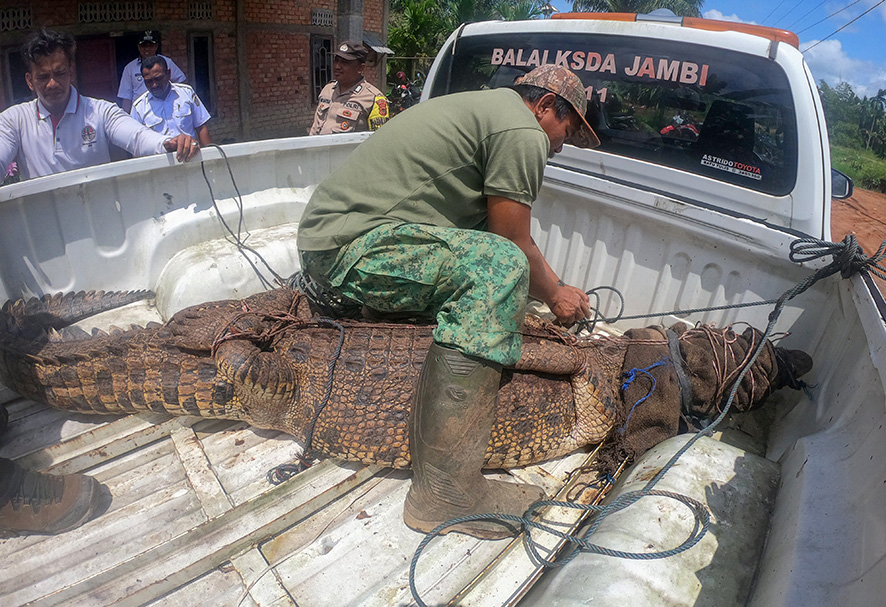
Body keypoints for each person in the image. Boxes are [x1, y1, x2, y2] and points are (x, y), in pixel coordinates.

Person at [297, 64, 600, 539]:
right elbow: (512, 243)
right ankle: (444, 494)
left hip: (341, 238)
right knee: (499, 268)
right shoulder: (521, 131)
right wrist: (558, 293)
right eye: (567, 130)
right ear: (543, 106)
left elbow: (482, 229)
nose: (560, 146)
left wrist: (545, 290)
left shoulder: (487, 110)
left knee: (491, 262)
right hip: (346, 249)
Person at [0, 29, 200, 181]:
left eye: (60, 73)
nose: (52, 84)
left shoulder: (101, 111)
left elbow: (137, 136)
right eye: (43, 77)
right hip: (46, 229)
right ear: (29, 80)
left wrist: (166, 143)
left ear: (71, 71)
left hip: (99, 225)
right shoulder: (14, 120)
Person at [309, 41, 389, 135]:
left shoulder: (374, 98)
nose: (337, 66)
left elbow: (378, 138)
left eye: (345, 63)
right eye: (336, 60)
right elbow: (315, 127)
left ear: (361, 68)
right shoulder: (328, 89)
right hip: (316, 148)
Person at [131, 55, 212, 146]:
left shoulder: (187, 93)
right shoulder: (139, 107)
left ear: (168, 74)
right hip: (158, 158)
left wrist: (211, 157)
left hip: (190, 156)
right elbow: (136, 143)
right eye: (149, 81)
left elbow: (201, 127)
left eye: (158, 79)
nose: (154, 85)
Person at [117, 30, 186, 114]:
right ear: (138, 47)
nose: (147, 49)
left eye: (150, 45)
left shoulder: (167, 62)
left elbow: (181, 83)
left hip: (166, 108)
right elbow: (126, 96)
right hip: (140, 112)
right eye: (143, 46)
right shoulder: (129, 68)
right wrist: (126, 118)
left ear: (156, 46)